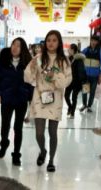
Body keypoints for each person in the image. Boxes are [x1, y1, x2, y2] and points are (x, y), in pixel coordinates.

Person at [24, 30, 71, 172]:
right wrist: (32, 68)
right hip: (39, 98)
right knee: (39, 133)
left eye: (54, 40)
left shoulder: (64, 60)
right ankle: (43, 150)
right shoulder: (38, 58)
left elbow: (67, 80)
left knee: (52, 132)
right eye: (48, 40)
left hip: (55, 99)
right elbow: (28, 76)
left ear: (59, 42)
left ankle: (51, 160)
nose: (51, 43)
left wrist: (55, 76)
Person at [0, 37, 33, 166]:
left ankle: (16, 154)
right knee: (5, 125)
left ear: (23, 49)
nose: (15, 48)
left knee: (18, 128)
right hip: (7, 98)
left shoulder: (27, 63)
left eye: (18, 46)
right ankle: (4, 143)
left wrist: (30, 98)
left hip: (21, 99)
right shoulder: (4, 61)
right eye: (13, 45)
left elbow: (31, 83)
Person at [80, 35, 101, 114]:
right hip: (86, 75)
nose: (93, 42)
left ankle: (89, 106)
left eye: (95, 41)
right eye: (92, 40)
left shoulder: (100, 52)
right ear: (90, 41)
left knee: (92, 92)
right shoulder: (86, 50)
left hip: (95, 76)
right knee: (85, 91)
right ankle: (84, 105)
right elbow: (79, 59)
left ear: (97, 42)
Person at [64, 43, 87, 118]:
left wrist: (82, 81)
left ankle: (72, 113)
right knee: (66, 96)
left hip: (77, 82)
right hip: (69, 81)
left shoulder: (79, 59)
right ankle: (70, 107)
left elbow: (81, 71)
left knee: (74, 98)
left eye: (70, 49)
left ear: (73, 50)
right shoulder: (69, 58)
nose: (68, 50)